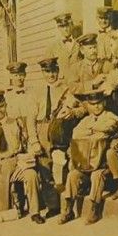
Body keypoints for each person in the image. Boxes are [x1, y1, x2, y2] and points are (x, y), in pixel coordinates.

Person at [29, 57, 83, 217]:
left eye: (53, 71)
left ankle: (67, 205)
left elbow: (82, 109)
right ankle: (53, 206)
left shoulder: (66, 90)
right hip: (42, 129)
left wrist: (73, 113)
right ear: (42, 73)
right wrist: (34, 141)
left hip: (60, 130)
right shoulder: (36, 92)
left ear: (58, 71)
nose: (51, 75)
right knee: (45, 169)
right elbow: (30, 119)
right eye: (47, 71)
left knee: (64, 167)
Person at [0, 90, 44, 224]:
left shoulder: (15, 122)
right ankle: (14, 207)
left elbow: (25, 139)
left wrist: (28, 154)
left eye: (2, 106)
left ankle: (35, 212)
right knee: (3, 210)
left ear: (5, 105)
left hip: (16, 162)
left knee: (31, 175)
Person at [59, 90, 118, 225]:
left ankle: (94, 208)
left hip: (103, 165)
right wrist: (95, 131)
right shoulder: (85, 120)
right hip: (86, 164)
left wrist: (89, 132)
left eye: (99, 103)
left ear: (104, 102)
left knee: (96, 176)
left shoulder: (111, 116)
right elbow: (76, 134)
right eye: (93, 104)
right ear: (89, 105)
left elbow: (108, 128)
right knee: (73, 175)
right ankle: (68, 209)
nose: (96, 106)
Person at [4, 61, 40, 154]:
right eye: (16, 75)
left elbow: (33, 117)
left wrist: (34, 140)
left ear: (25, 75)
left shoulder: (32, 94)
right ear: (11, 77)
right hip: (14, 136)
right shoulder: (6, 97)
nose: (19, 78)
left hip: (31, 135)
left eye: (21, 75)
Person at [45, 12, 81, 82]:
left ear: (71, 25)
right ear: (58, 28)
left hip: (78, 83)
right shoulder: (52, 47)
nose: (65, 29)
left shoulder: (79, 44)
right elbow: (48, 69)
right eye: (62, 26)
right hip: (61, 84)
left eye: (67, 25)